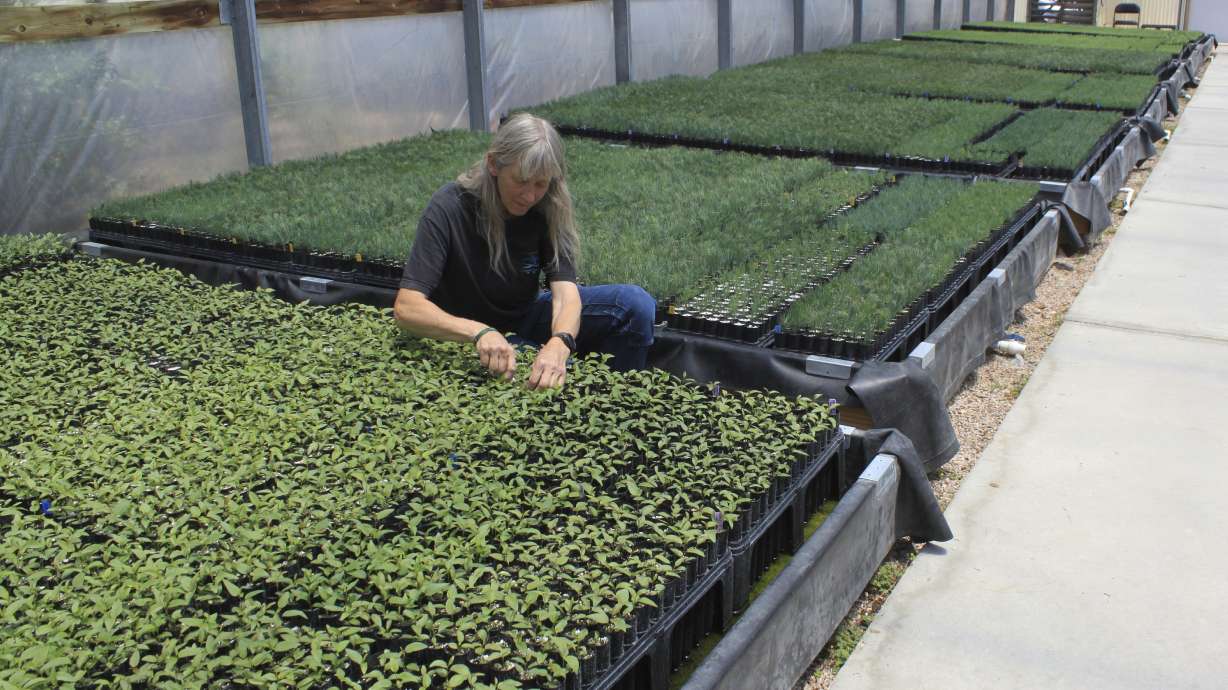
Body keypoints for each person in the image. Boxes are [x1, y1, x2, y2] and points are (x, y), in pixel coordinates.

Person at [393, 113, 656, 390]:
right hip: (462, 331)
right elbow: (407, 307)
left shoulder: (549, 206)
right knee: (535, 369)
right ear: (493, 164)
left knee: (635, 306)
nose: (530, 196)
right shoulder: (449, 207)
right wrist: (478, 332)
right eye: (520, 181)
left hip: (523, 315)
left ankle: (618, 398)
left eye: (541, 184)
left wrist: (560, 342)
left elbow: (566, 296)